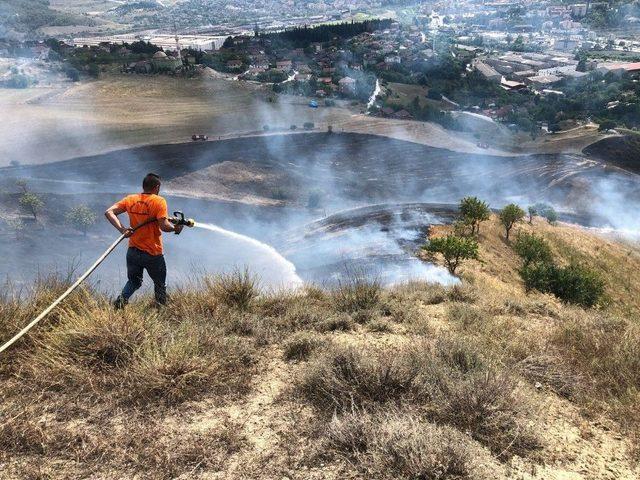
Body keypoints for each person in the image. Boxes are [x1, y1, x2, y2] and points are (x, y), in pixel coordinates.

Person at [105, 173, 184, 308]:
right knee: (159, 283)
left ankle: (120, 303)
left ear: (144, 186)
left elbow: (109, 212)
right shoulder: (159, 201)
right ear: (157, 187)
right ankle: (160, 310)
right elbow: (164, 227)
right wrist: (176, 229)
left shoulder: (131, 199)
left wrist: (122, 229)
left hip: (133, 251)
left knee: (134, 282)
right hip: (152, 253)